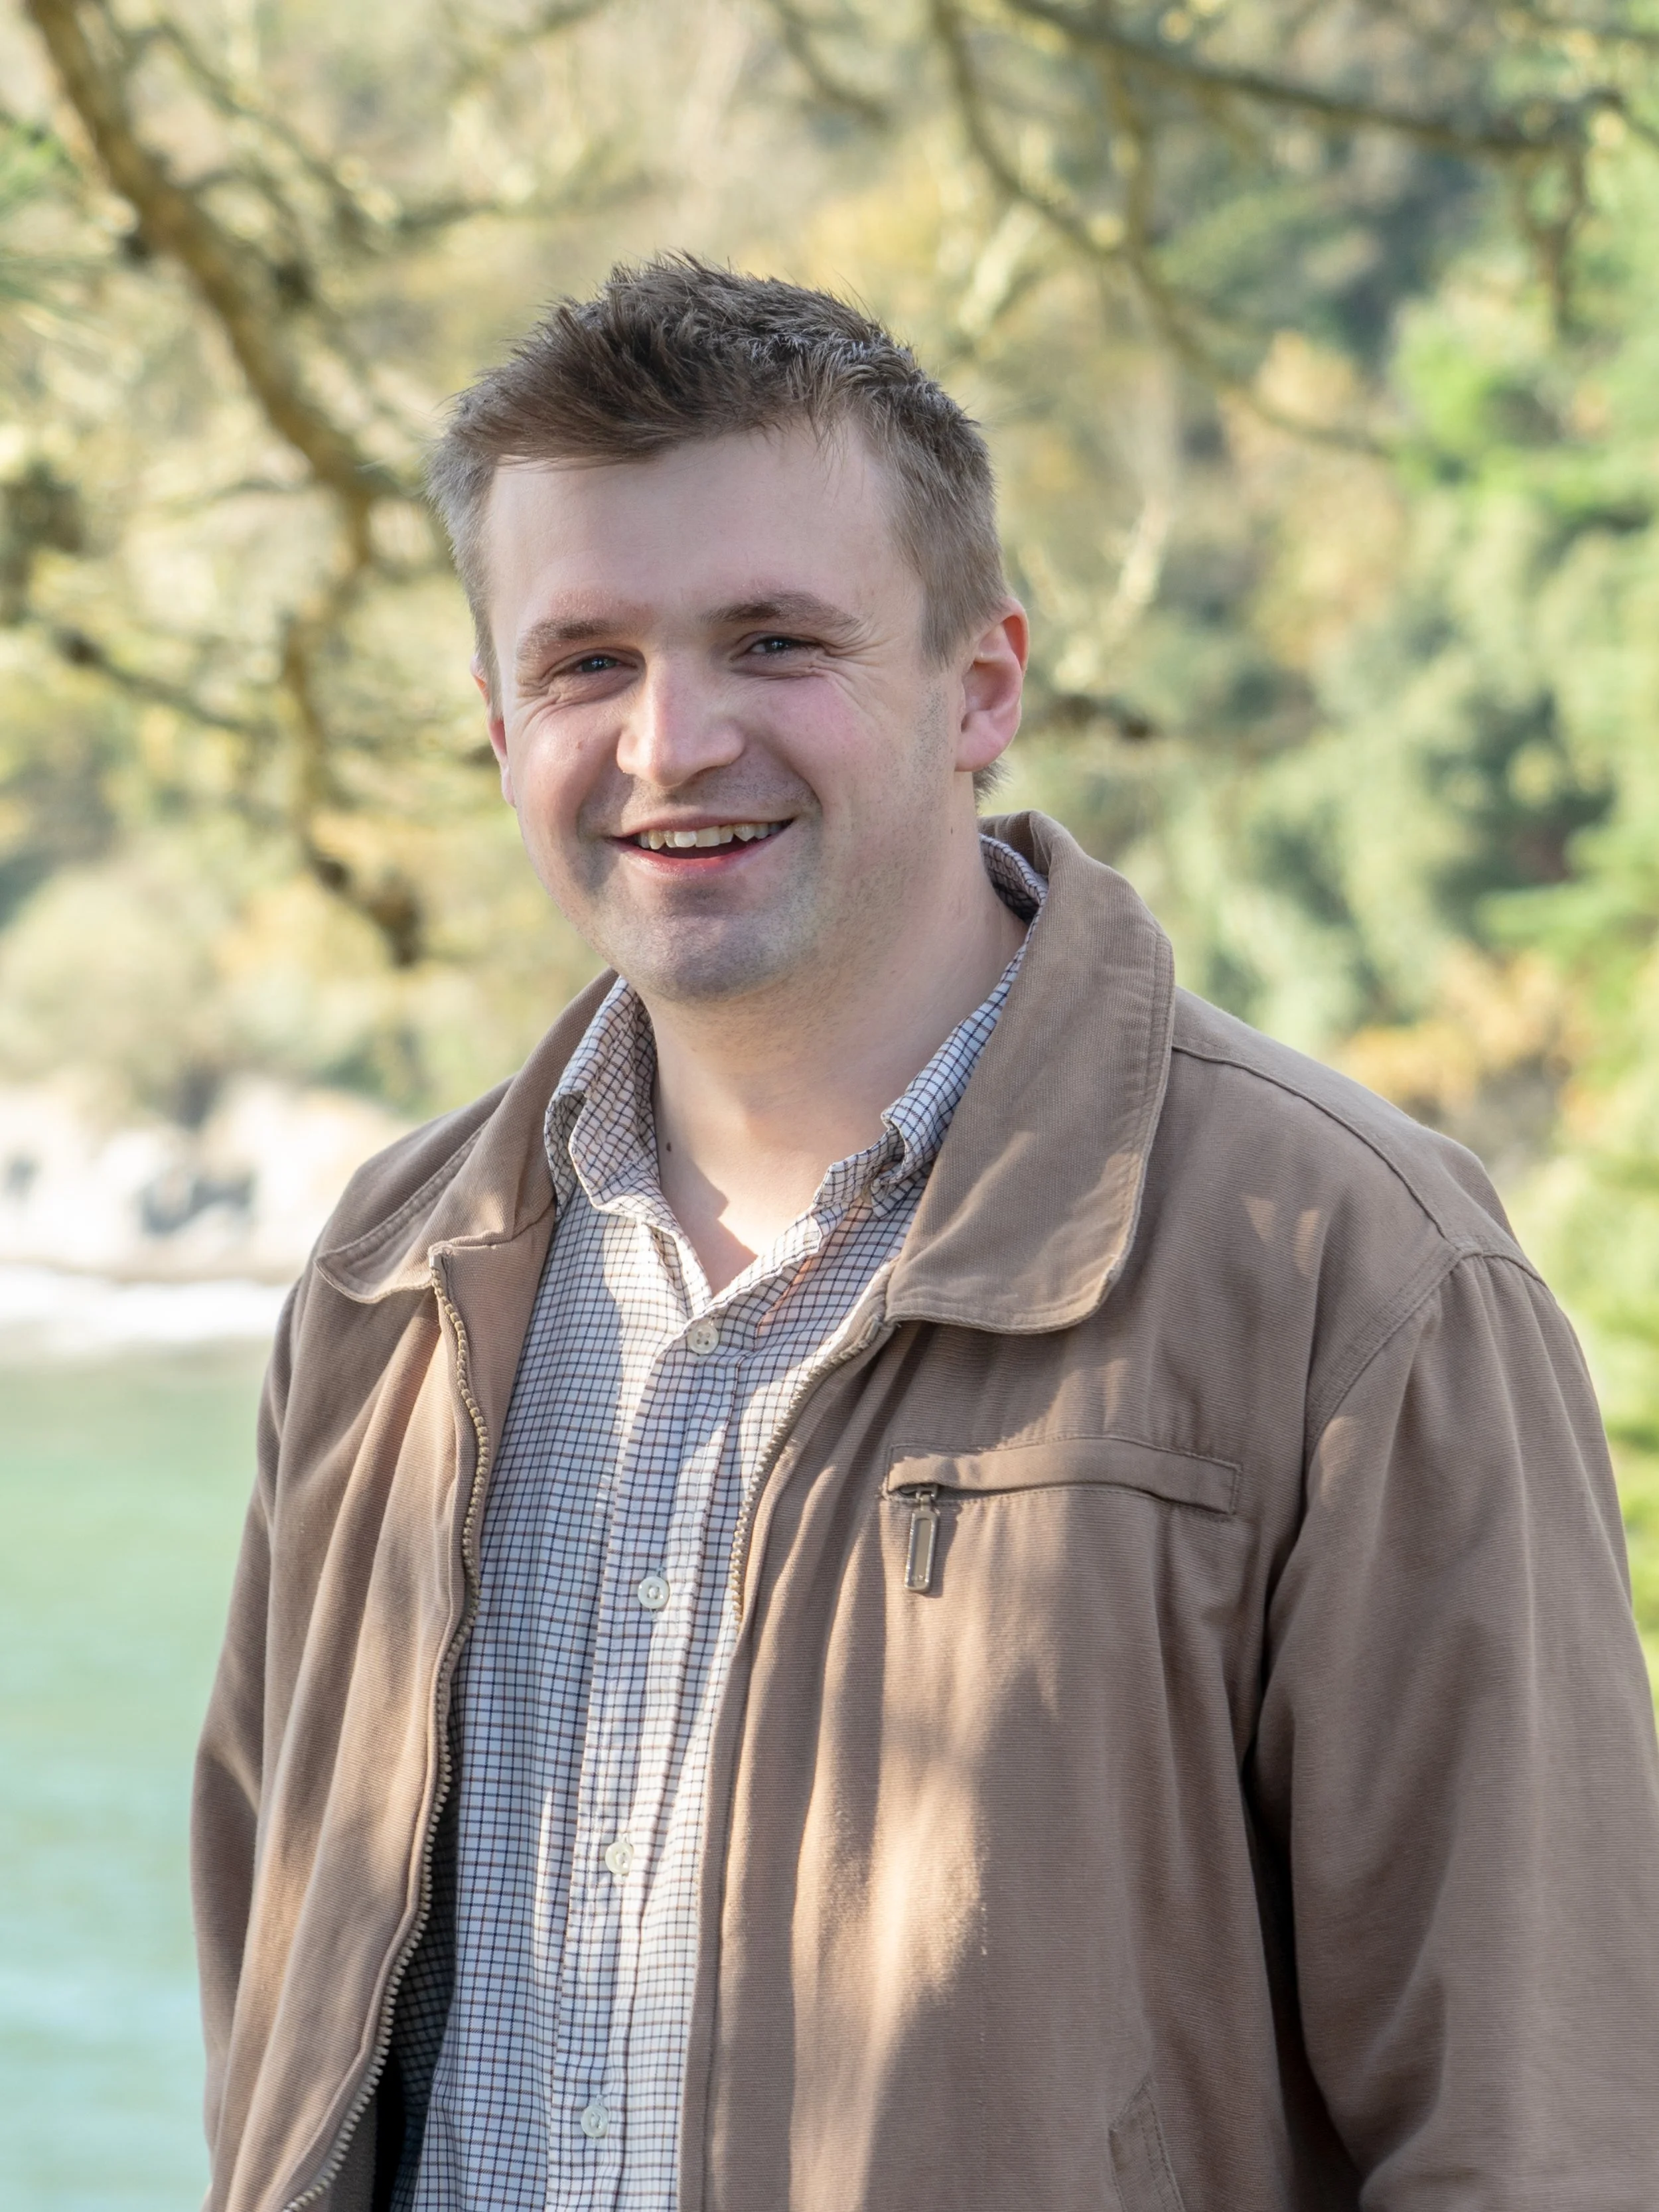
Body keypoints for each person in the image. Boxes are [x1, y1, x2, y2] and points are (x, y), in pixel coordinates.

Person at [192, 257, 1659, 2212]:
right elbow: (276, 2026)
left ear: (980, 685)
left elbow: (1536, 2129)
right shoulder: (394, 1278)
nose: (669, 743)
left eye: (774, 641)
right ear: (494, 721)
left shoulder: (1344, 1273)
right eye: (584, 663)